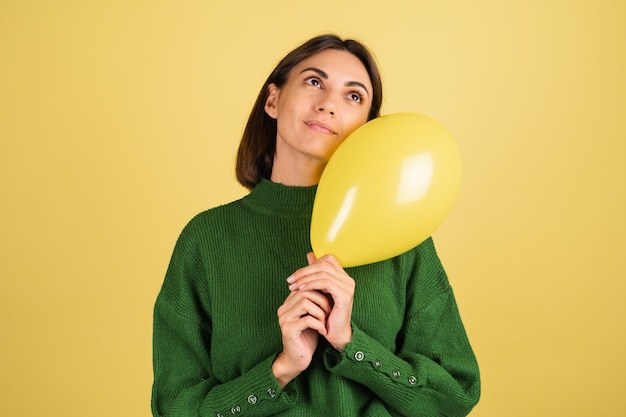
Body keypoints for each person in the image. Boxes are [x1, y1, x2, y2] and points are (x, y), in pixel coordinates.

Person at [151, 34, 480, 417]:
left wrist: (352, 344)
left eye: (353, 96)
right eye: (314, 82)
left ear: (366, 128)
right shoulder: (206, 238)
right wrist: (279, 371)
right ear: (273, 100)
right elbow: (174, 408)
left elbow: (454, 396)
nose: (328, 105)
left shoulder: (403, 240)